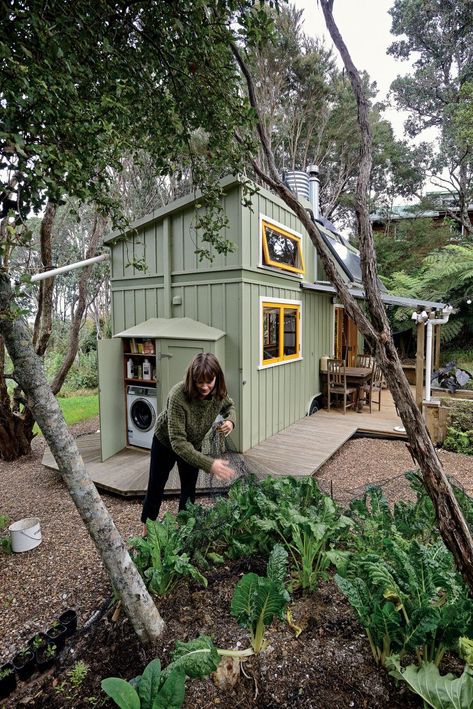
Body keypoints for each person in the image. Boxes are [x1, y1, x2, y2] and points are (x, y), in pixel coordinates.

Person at [141, 352, 235, 531]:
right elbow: (178, 442)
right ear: (193, 378)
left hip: (193, 443)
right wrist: (209, 464)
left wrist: (231, 421)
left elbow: (230, 406)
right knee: (156, 486)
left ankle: (183, 529)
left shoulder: (218, 392)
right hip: (166, 443)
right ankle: (147, 531)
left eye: (209, 381)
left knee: (189, 489)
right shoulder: (178, 395)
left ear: (217, 377)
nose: (205, 386)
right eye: (200, 382)